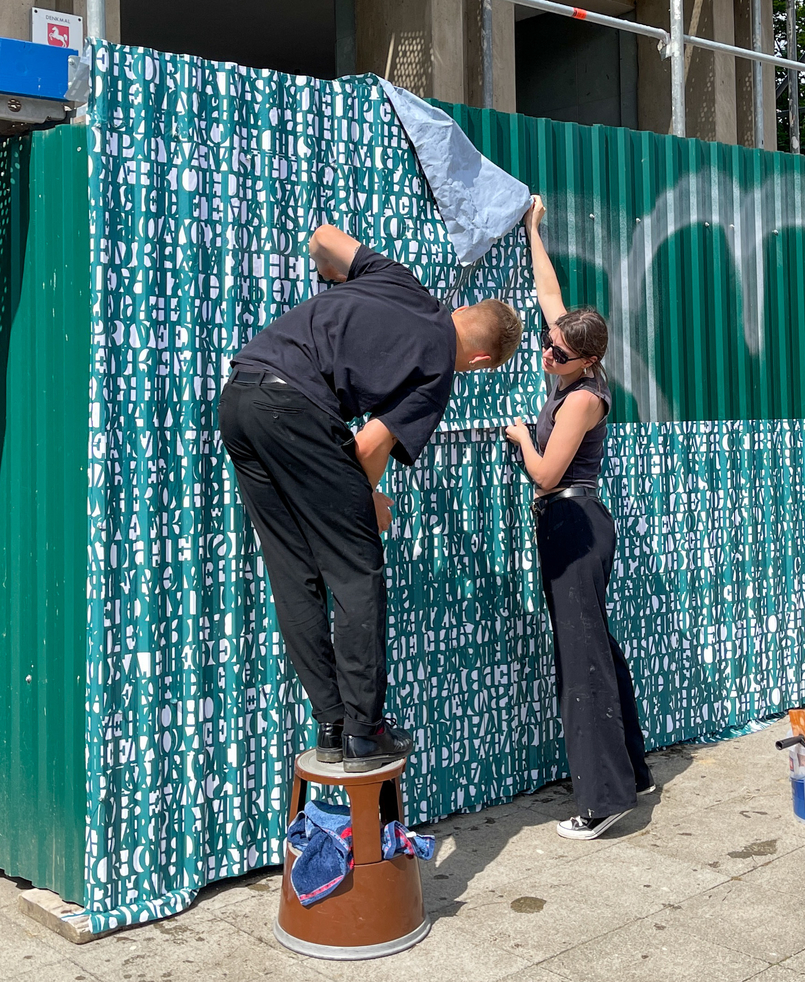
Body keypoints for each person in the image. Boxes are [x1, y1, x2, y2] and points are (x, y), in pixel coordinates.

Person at [220, 224, 522, 773]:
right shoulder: (436, 377)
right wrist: (368, 503)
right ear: (479, 360)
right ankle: (363, 731)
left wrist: (326, 271)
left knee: (293, 570)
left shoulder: (399, 280)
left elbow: (324, 238)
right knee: (356, 574)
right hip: (299, 410)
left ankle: (332, 721)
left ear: (464, 311)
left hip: (240, 396)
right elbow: (367, 442)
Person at [505, 197, 653, 840]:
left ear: (587, 361)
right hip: (573, 526)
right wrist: (534, 232)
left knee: (581, 655)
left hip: (571, 524)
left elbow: (546, 472)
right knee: (596, 646)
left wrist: (518, 436)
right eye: (547, 345)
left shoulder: (583, 401)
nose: (546, 355)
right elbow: (550, 296)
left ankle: (603, 799)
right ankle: (633, 773)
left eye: (559, 353)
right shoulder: (572, 366)